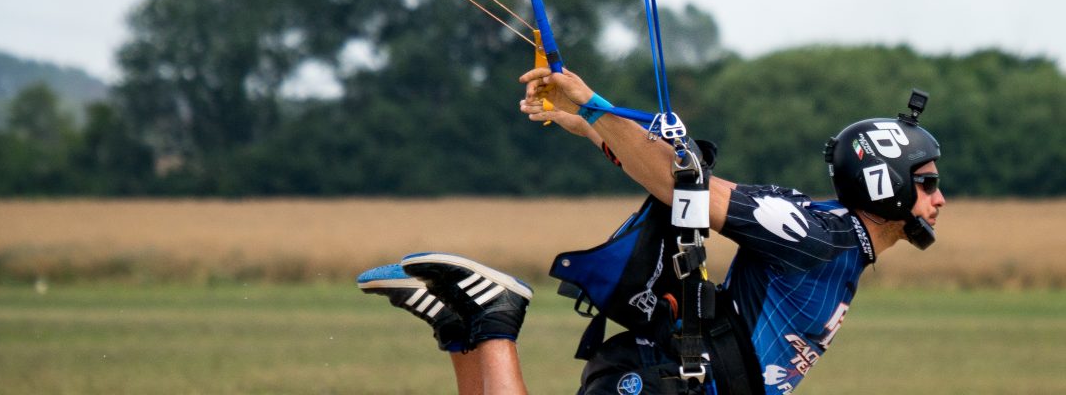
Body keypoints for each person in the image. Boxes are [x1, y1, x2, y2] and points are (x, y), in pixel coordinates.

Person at [358, 67, 947, 394]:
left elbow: (685, 183)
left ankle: (465, 331)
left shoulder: (828, 231)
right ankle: (493, 319)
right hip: (674, 381)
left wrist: (592, 125)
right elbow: (684, 187)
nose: (939, 199)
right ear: (883, 184)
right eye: (926, 183)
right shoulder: (817, 237)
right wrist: (591, 109)